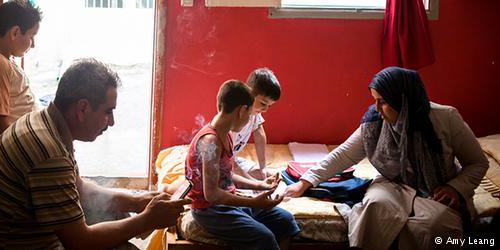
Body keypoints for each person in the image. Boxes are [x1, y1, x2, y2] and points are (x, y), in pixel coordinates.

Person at [0, 58, 190, 249]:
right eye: (108, 111)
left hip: (24, 234)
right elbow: (80, 242)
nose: (112, 122)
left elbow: (81, 190)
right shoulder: (49, 153)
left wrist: (136, 202)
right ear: (83, 108)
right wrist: (147, 220)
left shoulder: (46, 123)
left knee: (117, 214)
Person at [283, 67, 489, 250]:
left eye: (382, 101)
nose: (376, 108)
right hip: (393, 184)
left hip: (437, 188)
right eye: (374, 100)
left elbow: (477, 162)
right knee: (374, 207)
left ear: (402, 100)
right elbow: (344, 154)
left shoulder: (446, 118)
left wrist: (455, 188)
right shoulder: (374, 123)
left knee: (433, 225)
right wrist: (304, 182)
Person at [185, 80, 300, 250]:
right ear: (242, 110)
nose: (249, 120)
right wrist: (253, 202)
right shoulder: (210, 142)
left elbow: (226, 174)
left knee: (286, 222)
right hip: (210, 211)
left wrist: (259, 185)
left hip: (227, 203)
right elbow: (212, 195)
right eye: (250, 115)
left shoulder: (226, 135)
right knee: (264, 238)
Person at [0, 0, 43, 150]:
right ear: (15, 32)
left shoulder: (3, 60)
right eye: (32, 36)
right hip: (14, 153)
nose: (34, 43)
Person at [232, 67, 281, 180]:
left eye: (269, 105)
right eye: (263, 103)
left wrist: (263, 167)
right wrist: (254, 183)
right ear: (248, 92)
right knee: (241, 181)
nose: (266, 109)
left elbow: (259, 133)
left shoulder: (253, 112)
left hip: (232, 160)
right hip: (217, 163)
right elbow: (224, 161)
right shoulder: (233, 117)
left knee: (271, 175)